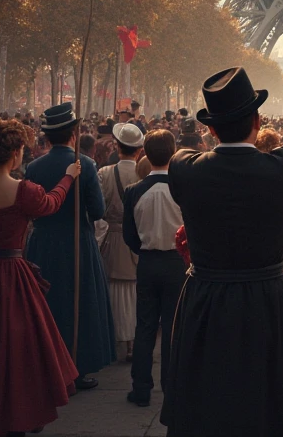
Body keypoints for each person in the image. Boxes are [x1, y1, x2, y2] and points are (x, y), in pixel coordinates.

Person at [161, 58, 283, 437]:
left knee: (204, 404)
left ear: (210, 129)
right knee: (272, 405)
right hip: (265, 300)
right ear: (257, 122)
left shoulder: (184, 169)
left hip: (206, 300)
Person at [0, 119, 81, 435]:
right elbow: (52, 203)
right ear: (15, 154)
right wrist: (68, 178)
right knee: (18, 351)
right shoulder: (22, 191)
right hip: (11, 277)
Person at [25, 102, 115, 389]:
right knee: (80, 305)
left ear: (48, 137)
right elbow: (98, 210)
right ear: (74, 133)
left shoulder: (35, 166)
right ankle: (76, 367)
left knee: (48, 306)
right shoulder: (84, 165)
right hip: (77, 240)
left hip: (44, 243)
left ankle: (47, 367)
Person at [122, 129, 186, 409]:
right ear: (173, 153)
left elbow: (129, 235)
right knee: (174, 328)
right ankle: (171, 388)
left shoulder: (134, 191)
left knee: (145, 327)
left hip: (148, 261)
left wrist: (143, 250)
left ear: (145, 153)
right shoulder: (182, 189)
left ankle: (141, 388)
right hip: (176, 262)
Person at [97, 122, 142, 359]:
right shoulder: (144, 173)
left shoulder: (104, 173)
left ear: (117, 146)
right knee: (135, 295)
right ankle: (134, 344)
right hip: (138, 242)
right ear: (139, 149)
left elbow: (97, 209)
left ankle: (112, 340)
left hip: (113, 240)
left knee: (114, 292)